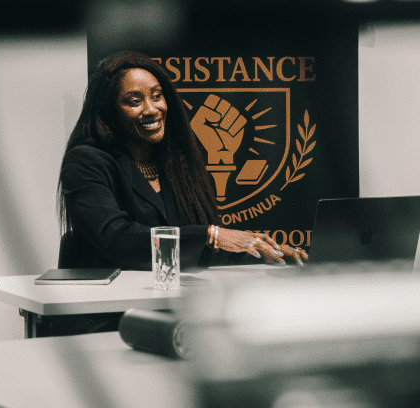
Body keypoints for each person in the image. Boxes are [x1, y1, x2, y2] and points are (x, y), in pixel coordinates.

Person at [57, 50, 308, 272]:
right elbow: (117, 240)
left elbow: (195, 251)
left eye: (157, 96)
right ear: (109, 111)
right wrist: (211, 234)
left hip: (174, 304)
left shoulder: (178, 163)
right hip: (106, 310)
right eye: (134, 101)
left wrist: (264, 256)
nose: (152, 109)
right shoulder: (85, 161)